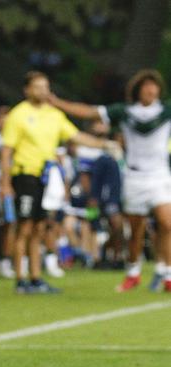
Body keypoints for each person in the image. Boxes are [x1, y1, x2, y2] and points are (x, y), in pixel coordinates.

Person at [50, 69, 171, 293]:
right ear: (138, 90)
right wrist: (57, 102)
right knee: (136, 230)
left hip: (160, 175)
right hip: (135, 176)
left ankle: (168, 273)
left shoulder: (166, 111)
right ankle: (133, 271)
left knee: (167, 223)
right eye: (146, 86)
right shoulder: (124, 112)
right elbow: (90, 112)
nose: (151, 90)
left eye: (154, 86)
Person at [0, 71, 118, 294]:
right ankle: (20, 279)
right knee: (24, 226)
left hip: (46, 178)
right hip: (26, 175)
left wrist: (104, 145)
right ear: (27, 90)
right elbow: (7, 151)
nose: (42, 91)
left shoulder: (54, 115)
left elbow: (76, 136)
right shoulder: (18, 115)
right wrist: (5, 183)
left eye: (45, 86)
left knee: (39, 227)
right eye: (37, 87)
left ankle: (35, 277)